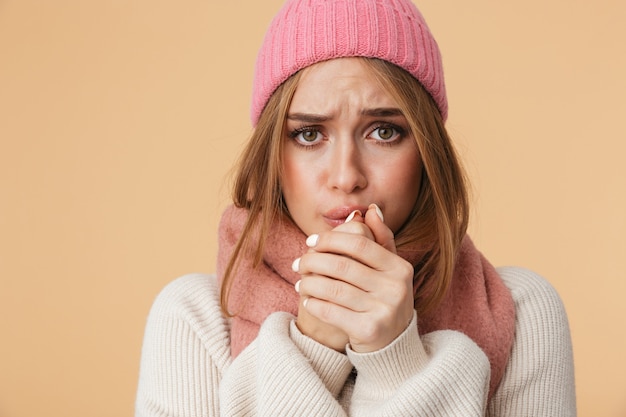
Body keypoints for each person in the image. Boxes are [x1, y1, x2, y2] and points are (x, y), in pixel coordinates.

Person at [135, 0, 576, 415]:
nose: (346, 176)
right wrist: (313, 347)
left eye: (384, 131)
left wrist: (394, 359)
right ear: (273, 155)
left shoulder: (519, 309)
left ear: (427, 150)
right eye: (309, 134)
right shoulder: (194, 318)